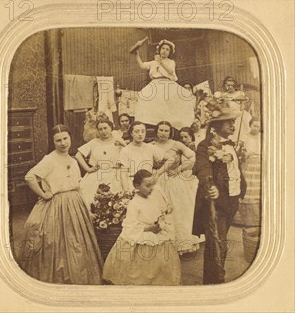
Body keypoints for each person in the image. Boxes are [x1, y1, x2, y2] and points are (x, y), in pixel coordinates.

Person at [18, 124, 103, 285]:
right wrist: (44, 194)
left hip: (76, 205)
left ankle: (78, 277)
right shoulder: (49, 159)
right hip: (56, 206)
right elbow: (30, 177)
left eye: (65, 139)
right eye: (58, 140)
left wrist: (86, 209)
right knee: (55, 243)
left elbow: (79, 187)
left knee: (77, 243)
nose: (63, 143)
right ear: (53, 142)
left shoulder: (73, 160)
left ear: (70, 138)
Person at [192, 107, 247, 284]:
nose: (233, 125)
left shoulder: (231, 144)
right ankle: (214, 282)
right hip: (215, 202)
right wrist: (210, 187)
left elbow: (234, 170)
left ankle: (214, 279)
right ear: (216, 124)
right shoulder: (205, 145)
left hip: (232, 199)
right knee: (217, 244)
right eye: (228, 122)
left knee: (221, 242)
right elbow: (202, 169)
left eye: (233, 122)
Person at [102, 169, 181, 285]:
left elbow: (158, 212)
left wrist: (161, 220)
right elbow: (131, 226)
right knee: (139, 267)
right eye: (148, 186)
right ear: (137, 186)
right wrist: (149, 228)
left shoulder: (154, 198)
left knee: (163, 260)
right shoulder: (134, 204)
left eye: (153, 185)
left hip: (156, 232)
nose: (151, 188)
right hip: (141, 234)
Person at [151, 121, 200, 255]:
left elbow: (192, 157)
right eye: (161, 130)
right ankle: (160, 243)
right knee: (158, 211)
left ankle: (180, 244)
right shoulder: (152, 146)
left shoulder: (176, 145)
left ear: (171, 132)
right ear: (156, 131)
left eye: (167, 131)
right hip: (157, 181)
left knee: (178, 211)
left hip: (174, 181)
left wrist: (179, 169)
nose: (163, 133)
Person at [133, 39, 195, 129]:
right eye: (163, 49)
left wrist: (161, 62)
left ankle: (173, 125)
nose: (164, 51)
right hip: (155, 84)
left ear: (169, 52)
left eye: (167, 50)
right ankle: (151, 123)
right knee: (145, 96)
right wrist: (137, 55)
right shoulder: (153, 62)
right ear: (159, 50)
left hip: (167, 84)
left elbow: (170, 71)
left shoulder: (171, 62)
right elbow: (142, 66)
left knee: (171, 103)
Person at [76, 119, 125, 207]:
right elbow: (78, 155)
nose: (103, 131)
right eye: (100, 129)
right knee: (92, 201)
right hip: (96, 175)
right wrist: (88, 169)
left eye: (105, 128)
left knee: (115, 202)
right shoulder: (94, 142)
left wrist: (124, 144)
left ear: (111, 128)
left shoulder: (118, 141)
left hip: (115, 175)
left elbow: (129, 154)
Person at [118, 121, 169, 192]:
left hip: (149, 184)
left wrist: (158, 173)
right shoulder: (125, 150)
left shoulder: (150, 147)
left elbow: (171, 159)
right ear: (131, 133)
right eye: (137, 131)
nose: (140, 134)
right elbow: (123, 174)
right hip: (133, 184)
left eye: (143, 131)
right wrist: (126, 191)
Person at [238, 117, 262, 228]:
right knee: (248, 188)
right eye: (254, 125)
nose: (256, 128)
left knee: (257, 189)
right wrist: (244, 153)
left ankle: (257, 217)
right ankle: (247, 217)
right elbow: (240, 152)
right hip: (248, 164)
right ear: (250, 125)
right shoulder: (244, 137)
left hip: (259, 164)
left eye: (258, 126)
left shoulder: (262, 137)